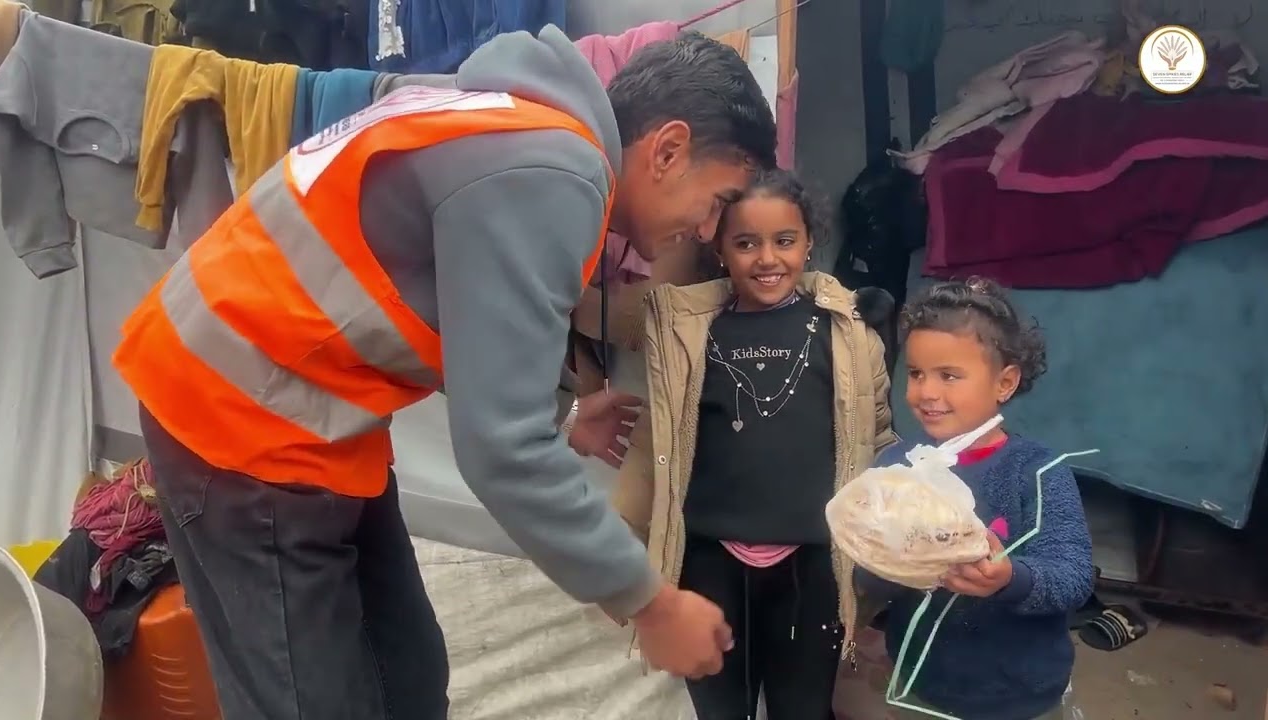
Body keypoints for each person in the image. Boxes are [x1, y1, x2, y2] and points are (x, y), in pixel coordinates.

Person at [111, 25, 778, 720]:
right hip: (238, 417)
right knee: (313, 701)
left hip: (308, 404)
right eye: (719, 203)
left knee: (407, 675)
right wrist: (651, 602)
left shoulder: (511, 123)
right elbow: (502, 452)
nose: (709, 233)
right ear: (667, 150)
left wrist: (566, 415)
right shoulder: (552, 172)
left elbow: (468, 320)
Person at [613, 169, 897, 720]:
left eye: (784, 240)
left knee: (803, 709)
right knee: (721, 710)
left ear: (809, 242)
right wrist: (623, 563)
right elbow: (654, 450)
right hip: (709, 563)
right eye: (746, 243)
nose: (767, 259)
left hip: (813, 563)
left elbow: (879, 436)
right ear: (719, 248)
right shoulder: (685, 332)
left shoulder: (848, 331)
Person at [869, 277, 1095, 720]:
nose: (926, 392)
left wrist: (1010, 578)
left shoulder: (1037, 471)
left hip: (1018, 694)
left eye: (949, 375)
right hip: (920, 683)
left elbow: (1073, 575)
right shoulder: (897, 466)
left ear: (1004, 382)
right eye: (915, 373)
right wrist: (878, 554)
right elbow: (873, 574)